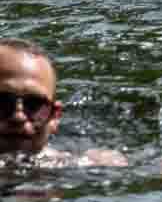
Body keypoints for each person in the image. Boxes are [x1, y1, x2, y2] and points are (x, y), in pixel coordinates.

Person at [0, 38, 127, 167]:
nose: (18, 117)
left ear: (54, 116)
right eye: (3, 102)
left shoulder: (84, 165)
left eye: (34, 104)